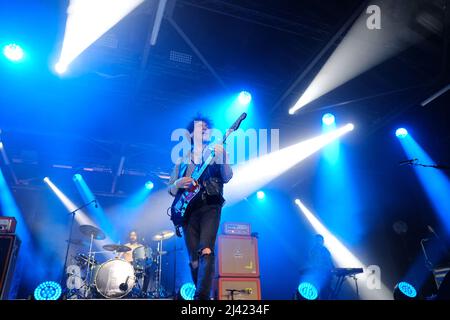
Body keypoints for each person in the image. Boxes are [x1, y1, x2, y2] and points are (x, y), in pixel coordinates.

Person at [168, 114, 233, 300]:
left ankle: (201, 299)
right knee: (195, 261)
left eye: (206, 126)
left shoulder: (215, 152)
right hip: (187, 212)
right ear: (190, 134)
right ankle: (204, 296)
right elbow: (172, 190)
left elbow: (227, 177)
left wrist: (224, 156)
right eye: (199, 127)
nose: (203, 128)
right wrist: (178, 183)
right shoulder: (182, 160)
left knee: (206, 249)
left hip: (210, 205)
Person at [119, 230, 153, 297]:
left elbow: (144, 257)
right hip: (126, 266)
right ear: (129, 236)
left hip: (137, 267)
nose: (133, 237)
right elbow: (118, 257)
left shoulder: (140, 246)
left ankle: (144, 292)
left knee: (148, 270)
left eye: (134, 235)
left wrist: (146, 258)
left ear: (137, 236)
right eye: (131, 235)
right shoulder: (125, 246)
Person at [305, 234, 334, 299]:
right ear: (315, 241)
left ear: (322, 241)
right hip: (317, 274)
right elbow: (313, 262)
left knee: (327, 292)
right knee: (317, 291)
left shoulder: (325, 250)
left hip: (327, 273)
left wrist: (333, 269)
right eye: (317, 240)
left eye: (320, 240)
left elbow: (329, 261)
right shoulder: (313, 251)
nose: (318, 242)